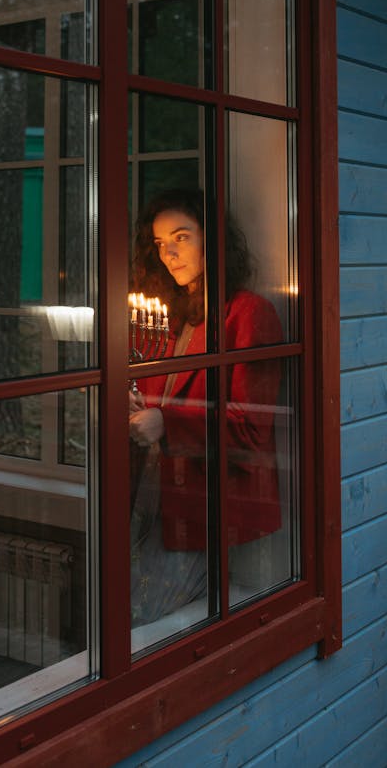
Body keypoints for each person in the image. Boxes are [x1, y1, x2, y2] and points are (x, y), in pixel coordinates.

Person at [128, 187, 282, 628]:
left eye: (181, 237)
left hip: (207, 499)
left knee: (147, 617)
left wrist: (165, 422)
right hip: (152, 488)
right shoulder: (172, 315)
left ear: (211, 239)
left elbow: (252, 428)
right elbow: (158, 399)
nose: (169, 254)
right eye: (160, 244)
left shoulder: (248, 314)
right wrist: (137, 402)